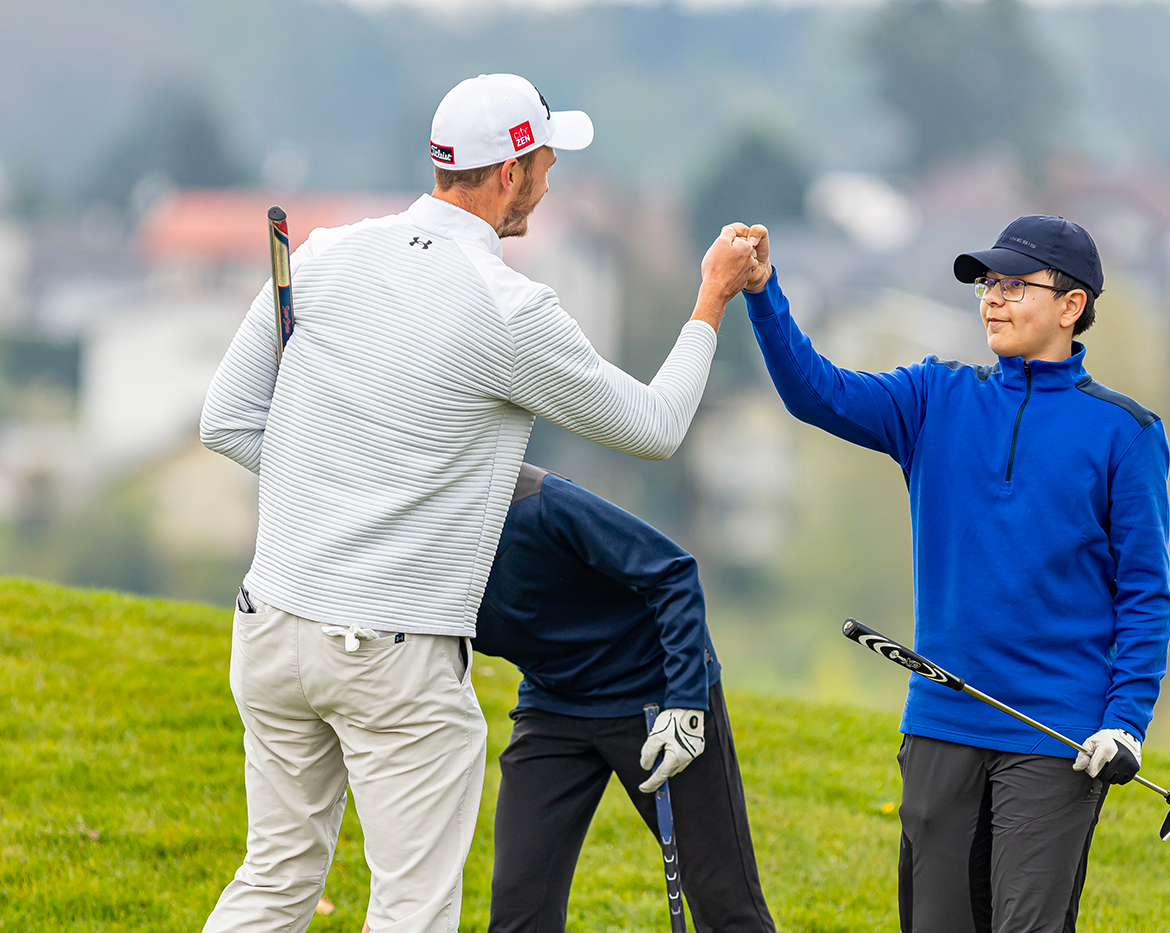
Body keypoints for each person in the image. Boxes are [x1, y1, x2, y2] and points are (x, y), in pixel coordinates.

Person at [198, 73, 758, 933]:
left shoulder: (321, 253)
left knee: (273, 880)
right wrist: (711, 298)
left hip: (268, 623)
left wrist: (340, 487)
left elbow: (228, 421)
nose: (549, 178)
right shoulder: (511, 309)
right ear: (511, 174)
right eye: (545, 161)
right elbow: (654, 425)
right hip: (390, 648)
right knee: (412, 909)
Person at [736, 216, 1170, 933]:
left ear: (1071, 305)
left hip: (1056, 736)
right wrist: (763, 291)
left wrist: (1125, 721)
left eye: (1014, 285)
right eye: (987, 285)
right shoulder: (933, 397)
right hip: (941, 722)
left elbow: (1145, 595)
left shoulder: (1126, 433)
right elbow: (816, 392)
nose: (992, 299)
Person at [468, 462, 775, 933]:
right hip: (551, 705)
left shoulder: (538, 503)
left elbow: (674, 573)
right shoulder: (405, 552)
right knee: (518, 913)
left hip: (657, 698)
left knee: (725, 907)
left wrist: (687, 703)